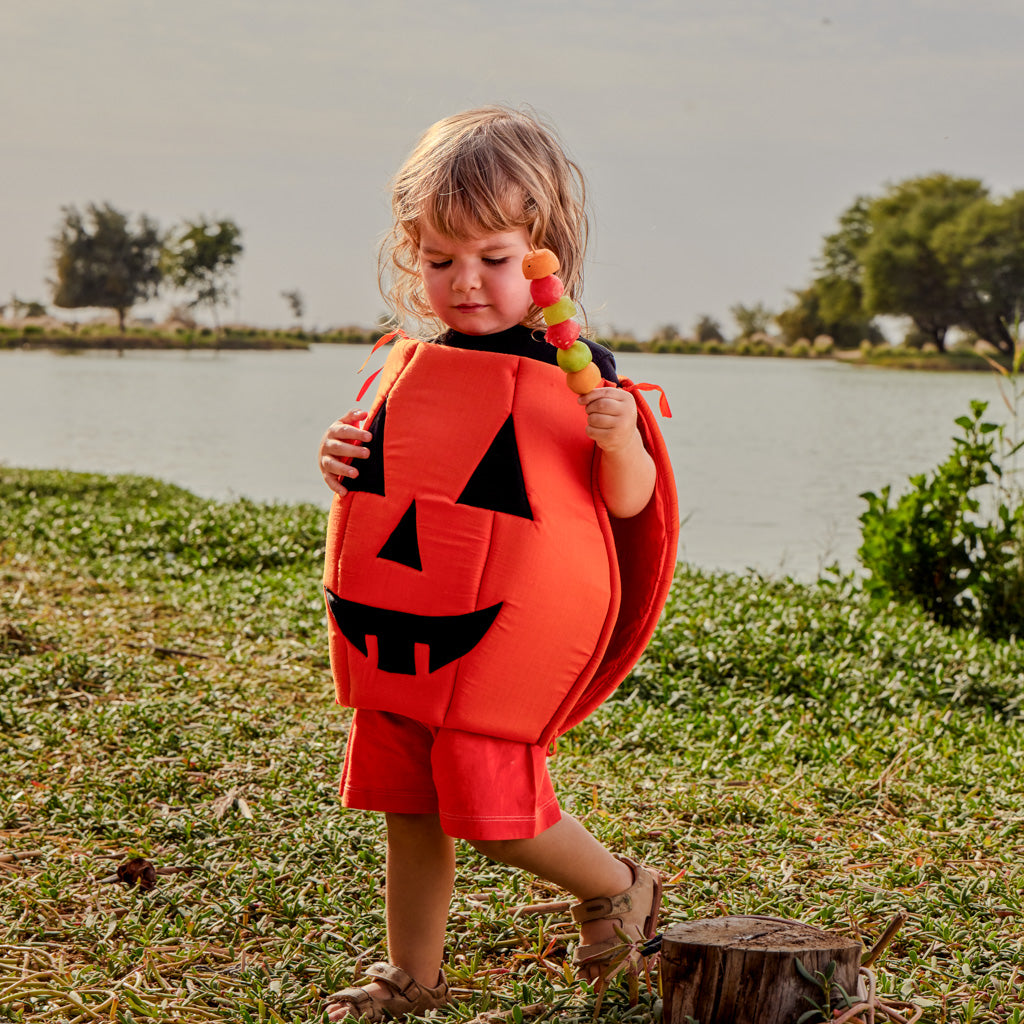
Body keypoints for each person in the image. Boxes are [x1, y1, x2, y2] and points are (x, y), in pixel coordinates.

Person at [316, 106, 677, 1022]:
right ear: (413, 256)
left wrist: (621, 438)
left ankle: (616, 886)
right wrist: (342, 461)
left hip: (497, 640)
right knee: (408, 800)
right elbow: (392, 495)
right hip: (402, 629)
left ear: (542, 253)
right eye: (440, 262)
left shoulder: (576, 370)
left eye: (492, 259)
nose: (464, 283)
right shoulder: (414, 364)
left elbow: (624, 505)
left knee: (491, 806)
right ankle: (414, 976)